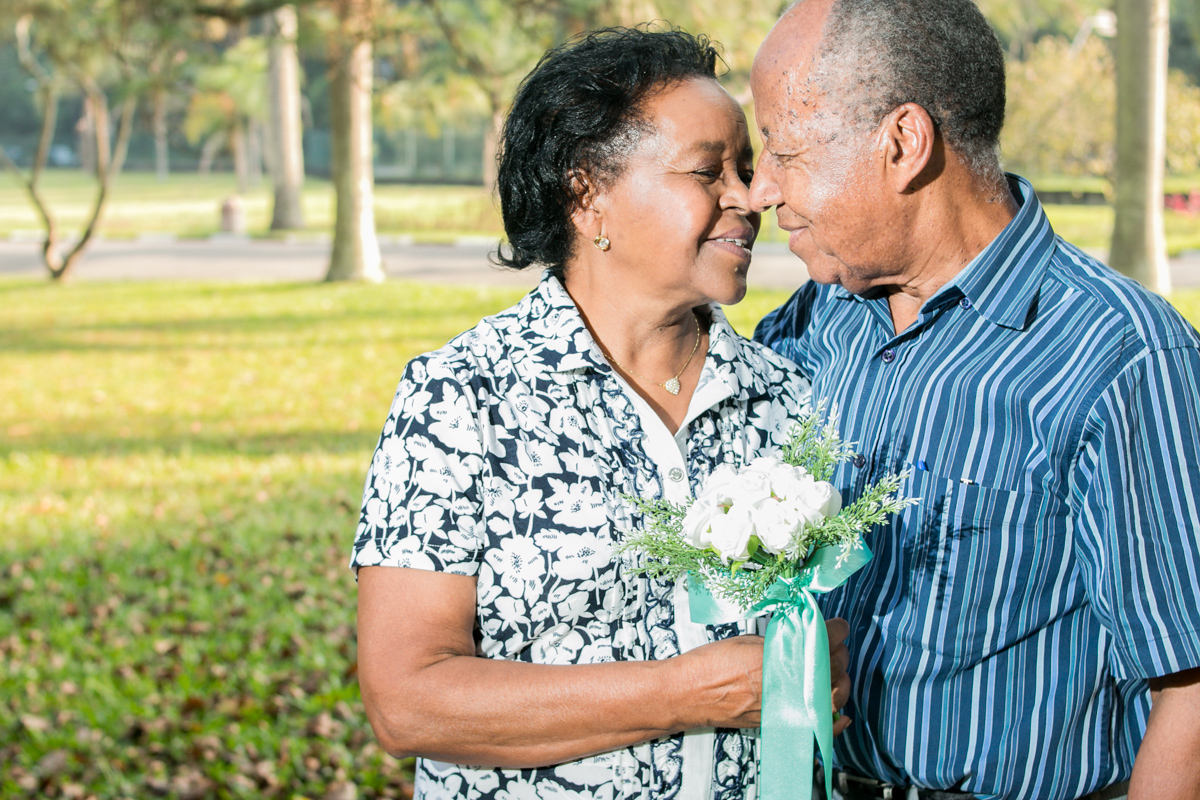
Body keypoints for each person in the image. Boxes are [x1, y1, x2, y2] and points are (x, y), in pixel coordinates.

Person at [351, 28, 852, 800]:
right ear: (588, 195)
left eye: (746, 170)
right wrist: (682, 693)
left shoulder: (787, 397)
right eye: (706, 170)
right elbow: (407, 699)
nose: (748, 198)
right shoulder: (463, 398)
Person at [748, 1, 1200, 799]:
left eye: (785, 152)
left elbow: (1189, 693)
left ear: (903, 143)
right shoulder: (816, 322)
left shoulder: (1122, 354)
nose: (761, 189)